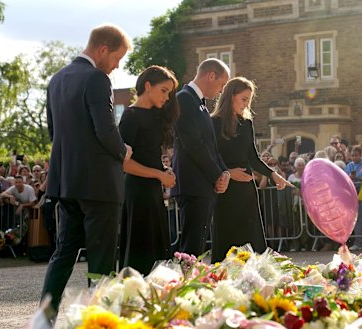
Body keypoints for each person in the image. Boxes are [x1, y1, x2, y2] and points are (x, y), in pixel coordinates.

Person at [40, 24, 133, 316]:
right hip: (99, 185)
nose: (116, 66)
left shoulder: (56, 80)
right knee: (102, 258)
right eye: (117, 58)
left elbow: (54, 133)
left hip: (66, 182)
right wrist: (123, 151)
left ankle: (45, 317)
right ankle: (100, 319)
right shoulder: (96, 79)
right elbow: (105, 130)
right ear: (103, 49)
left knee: (64, 254)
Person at [209, 77, 292, 262]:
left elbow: (253, 158)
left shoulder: (246, 123)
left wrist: (273, 175)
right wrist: (229, 172)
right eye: (244, 99)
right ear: (231, 96)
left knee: (251, 237)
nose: (247, 104)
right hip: (225, 189)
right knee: (227, 240)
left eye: (249, 100)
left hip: (247, 192)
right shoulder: (213, 123)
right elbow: (211, 156)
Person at [118, 66, 178, 275]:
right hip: (137, 190)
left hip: (153, 188)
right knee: (140, 246)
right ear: (147, 86)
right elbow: (124, 163)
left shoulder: (156, 117)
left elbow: (150, 156)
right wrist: (159, 174)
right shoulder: (131, 116)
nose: (167, 97)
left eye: (169, 92)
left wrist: (164, 171)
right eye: (163, 90)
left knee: (158, 247)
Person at [171, 58, 231, 257]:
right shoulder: (184, 99)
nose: (222, 90)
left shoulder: (201, 105)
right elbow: (193, 143)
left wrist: (224, 172)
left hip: (203, 184)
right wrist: (217, 174)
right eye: (222, 84)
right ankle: (182, 286)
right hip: (192, 184)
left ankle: (189, 284)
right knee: (190, 247)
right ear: (210, 76)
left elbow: (211, 146)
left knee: (197, 245)